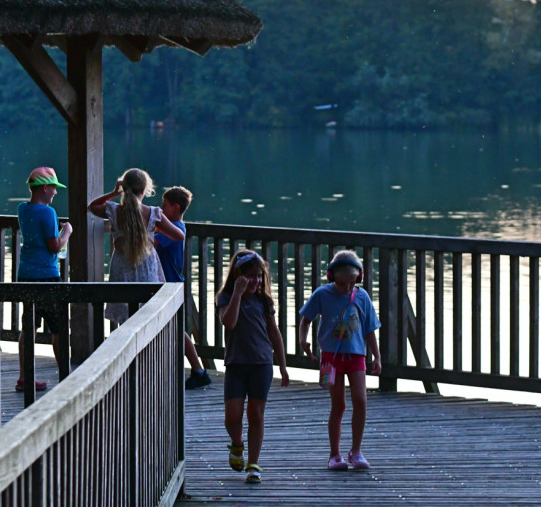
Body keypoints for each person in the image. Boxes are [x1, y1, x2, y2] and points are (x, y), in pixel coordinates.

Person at [298, 250, 382, 471]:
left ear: (359, 279)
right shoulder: (322, 294)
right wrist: (303, 340)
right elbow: (306, 319)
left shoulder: (362, 297)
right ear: (331, 277)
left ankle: (356, 451)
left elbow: (370, 329)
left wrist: (377, 356)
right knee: (338, 405)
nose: (346, 288)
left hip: (356, 356)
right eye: (342, 283)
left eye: (351, 283)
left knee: (361, 401)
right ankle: (334, 454)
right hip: (331, 358)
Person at [216, 249, 290, 485]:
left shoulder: (264, 300)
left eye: (259, 276)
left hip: (261, 363)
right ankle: (237, 444)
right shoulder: (226, 298)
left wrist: (283, 366)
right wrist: (237, 293)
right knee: (232, 416)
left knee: (256, 414)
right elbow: (229, 323)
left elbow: (274, 333)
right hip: (236, 364)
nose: (256, 281)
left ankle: (253, 464)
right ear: (238, 276)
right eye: (250, 276)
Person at [88, 168, 184, 324]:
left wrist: (114, 193)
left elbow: (93, 206)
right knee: (148, 316)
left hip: (122, 268)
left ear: (124, 188)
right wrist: (156, 229)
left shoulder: (114, 210)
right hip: (146, 267)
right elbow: (179, 235)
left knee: (126, 319)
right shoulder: (153, 213)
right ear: (145, 189)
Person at [16, 166, 73, 393]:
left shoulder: (22, 209)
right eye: (53, 189)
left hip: (25, 274)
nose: (55, 193)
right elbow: (55, 246)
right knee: (59, 327)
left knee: (28, 327)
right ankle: (65, 376)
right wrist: (67, 231)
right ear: (45, 187)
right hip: (47, 276)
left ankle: (24, 377)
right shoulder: (48, 213)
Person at [153, 186, 211, 390]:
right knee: (175, 329)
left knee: (175, 329)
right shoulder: (175, 226)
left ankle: (198, 370)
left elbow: (150, 243)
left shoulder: (175, 228)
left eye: (164, 205)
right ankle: (196, 370)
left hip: (169, 283)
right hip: (170, 282)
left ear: (175, 207)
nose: (161, 209)